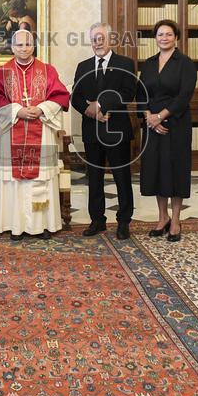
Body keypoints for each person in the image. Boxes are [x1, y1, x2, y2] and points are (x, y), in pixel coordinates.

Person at [0, 29, 70, 240]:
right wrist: (17, 111)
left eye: (27, 44)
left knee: (41, 176)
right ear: (12, 47)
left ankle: (40, 225)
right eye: (19, 45)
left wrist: (42, 109)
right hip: (12, 132)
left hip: (41, 133)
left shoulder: (47, 70)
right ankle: (15, 225)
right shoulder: (1, 72)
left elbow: (60, 96)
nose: (23, 48)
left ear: (33, 46)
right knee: (14, 180)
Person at [71, 22, 137, 239]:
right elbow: (76, 97)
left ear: (110, 39)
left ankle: (124, 221)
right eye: (94, 39)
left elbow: (128, 93)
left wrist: (100, 107)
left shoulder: (125, 63)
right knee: (95, 178)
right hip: (92, 131)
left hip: (116, 130)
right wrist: (90, 111)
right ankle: (97, 220)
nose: (97, 42)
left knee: (121, 177)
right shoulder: (83, 66)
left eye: (101, 38)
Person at [137, 19, 197, 242]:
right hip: (152, 125)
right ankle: (161, 218)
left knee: (176, 169)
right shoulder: (149, 63)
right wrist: (148, 117)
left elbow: (184, 95)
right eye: (160, 34)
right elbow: (141, 93)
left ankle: (175, 220)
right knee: (156, 170)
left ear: (176, 37)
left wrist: (161, 116)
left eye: (168, 34)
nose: (164, 38)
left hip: (176, 125)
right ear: (155, 38)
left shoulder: (185, 63)